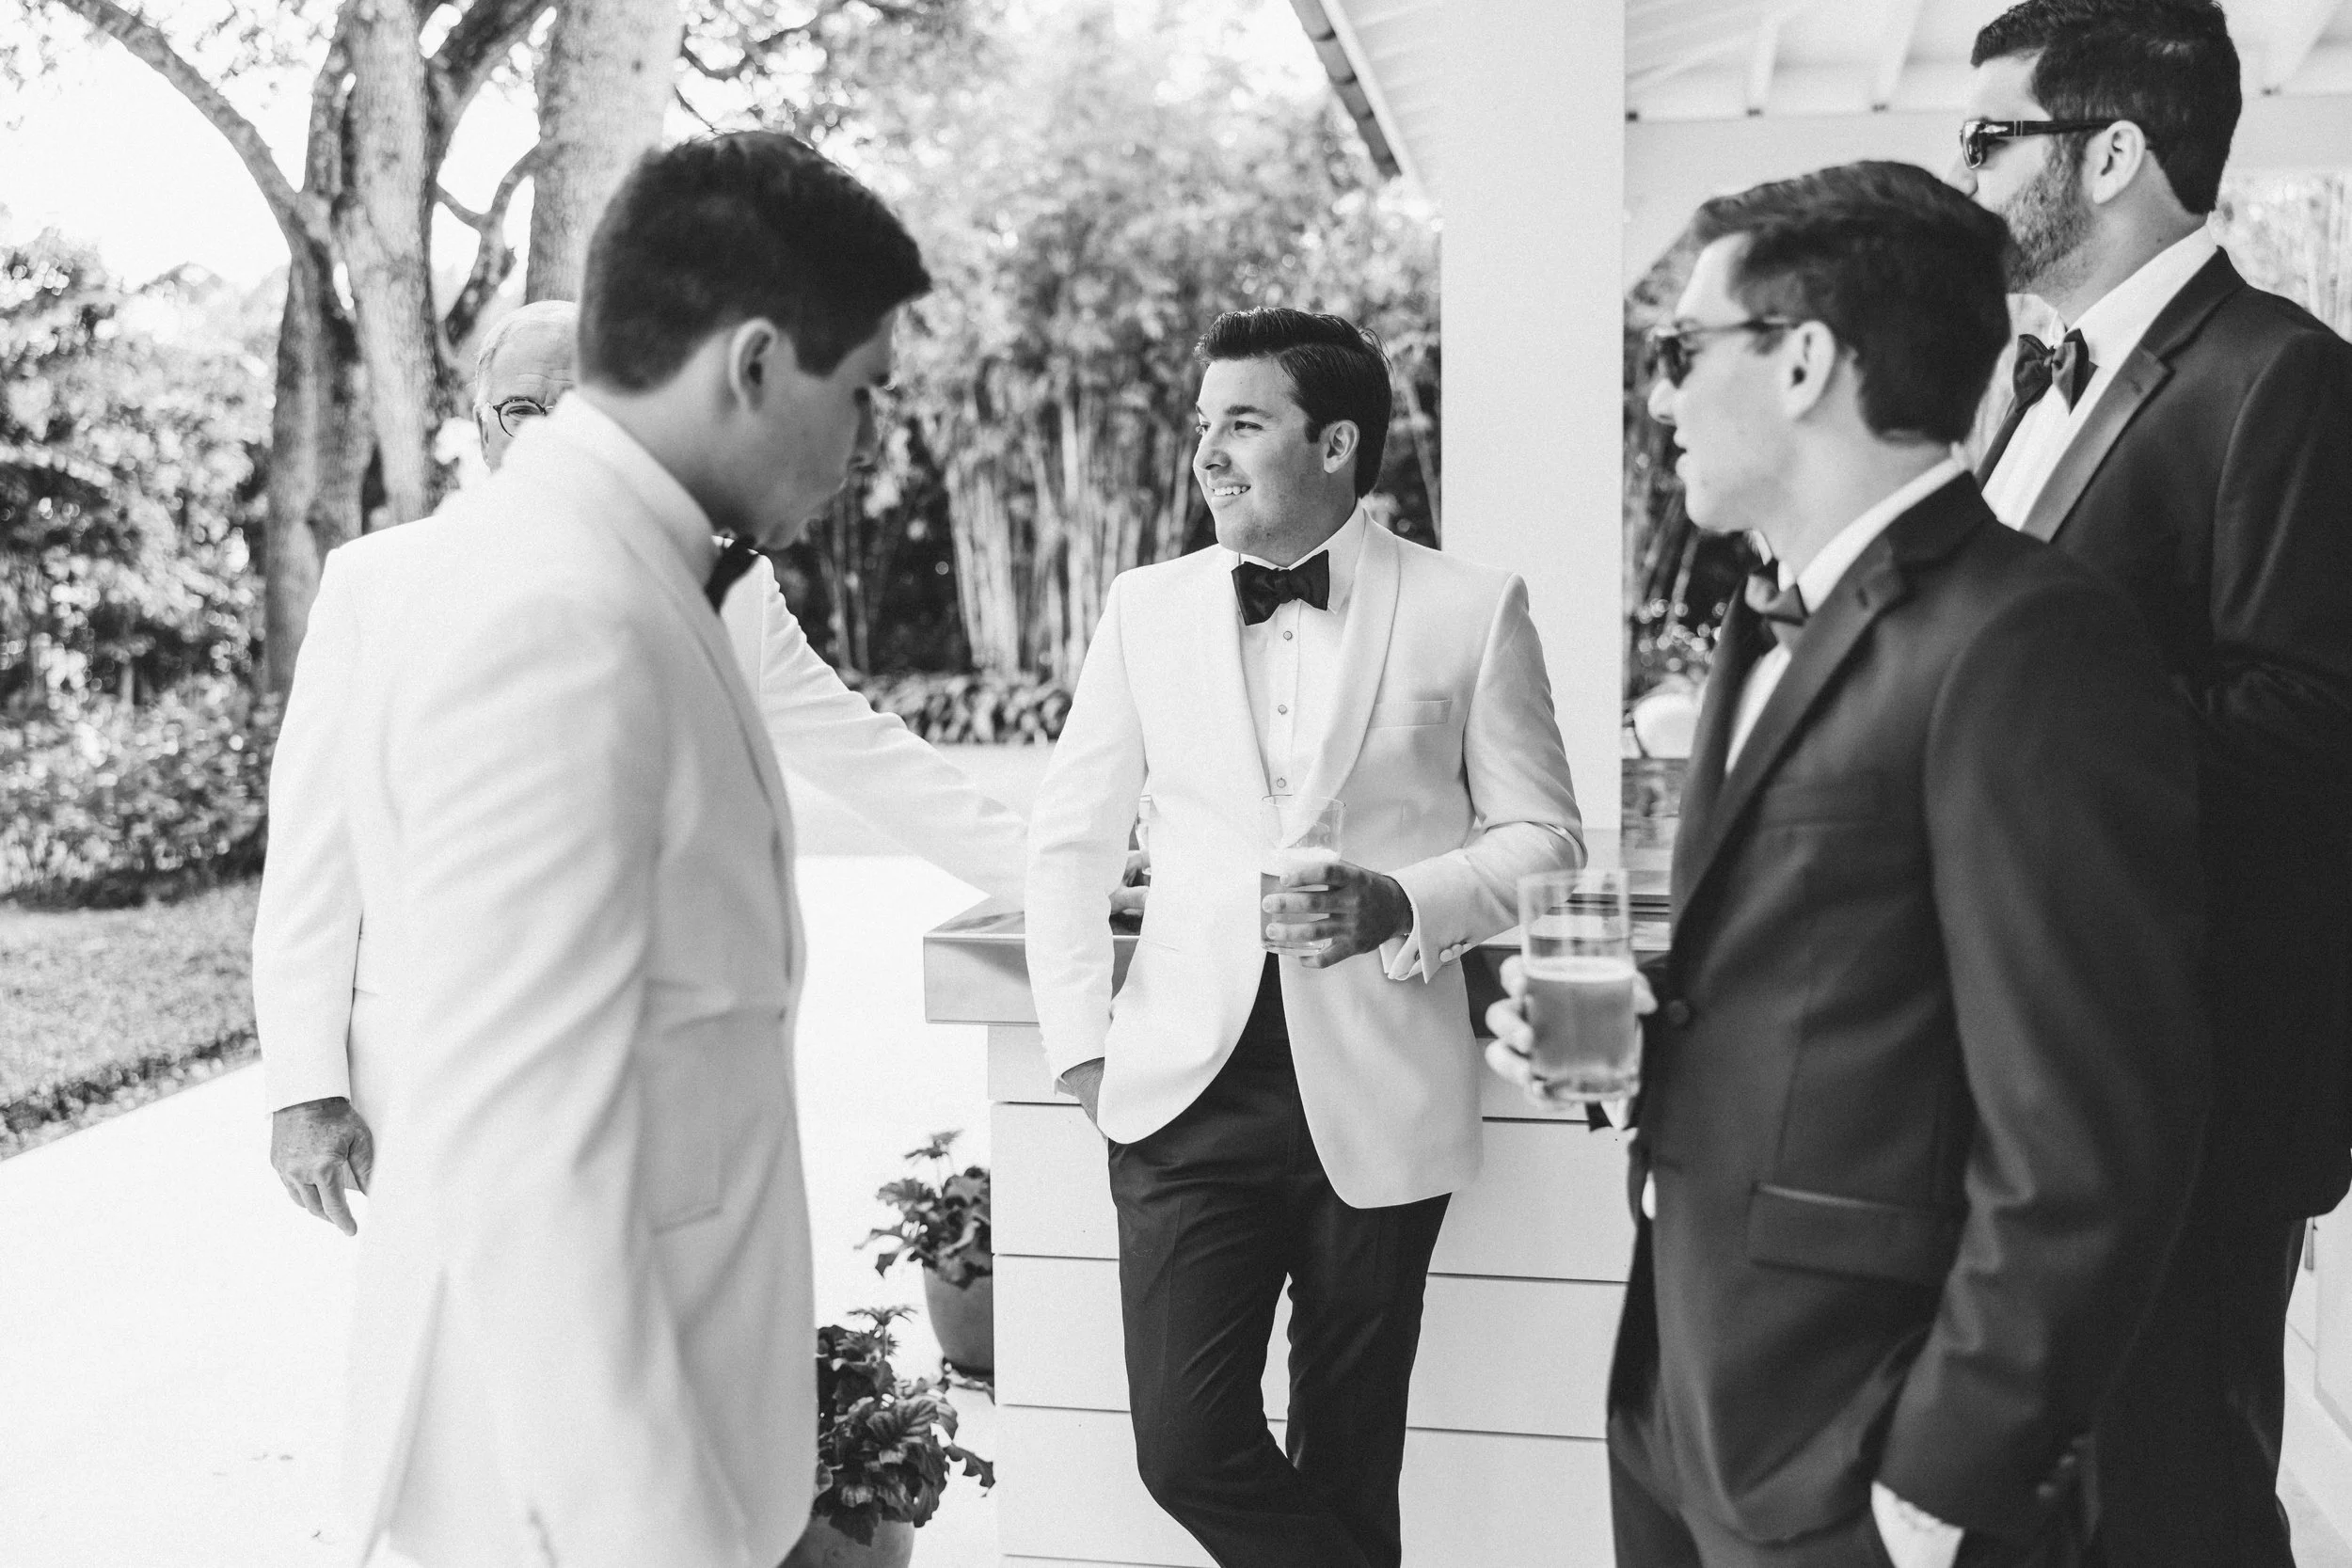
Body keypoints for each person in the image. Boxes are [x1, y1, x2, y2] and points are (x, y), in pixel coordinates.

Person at [1489, 163, 2209, 1567]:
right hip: (1684, 1398)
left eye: (1683, 350)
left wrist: (1937, 1482)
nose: (1662, 399)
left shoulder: (2027, 644)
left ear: (1804, 359)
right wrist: (1644, 1045)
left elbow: (2092, 1124)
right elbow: (1853, 994)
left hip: (1858, 1448)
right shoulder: (1764, 626)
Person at [265, 131, 927, 1568]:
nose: (866, 443)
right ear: (757, 362)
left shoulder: (645, 575)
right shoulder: (555, 617)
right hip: (588, 1505)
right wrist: (667, 1534)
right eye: (863, 390)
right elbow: (525, 1155)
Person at [257, 295, 1042, 1236]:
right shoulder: (373, 584)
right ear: (480, 422)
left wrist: (1056, 873)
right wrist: (305, 1085)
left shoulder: (728, 589)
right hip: (433, 1074)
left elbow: (868, 756)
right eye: (521, 408)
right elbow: (314, 847)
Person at [1025, 308, 1583, 1568]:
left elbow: (1547, 840)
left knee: (1349, 1453)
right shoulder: (1144, 608)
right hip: (1184, 1094)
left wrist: (1403, 902)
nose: (1207, 453)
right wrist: (1083, 1054)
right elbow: (1068, 840)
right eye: (1203, 424)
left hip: (1384, 1083)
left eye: (1242, 422)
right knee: (1184, 1446)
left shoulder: (1472, 607)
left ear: (1335, 444)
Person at [1954, 4, 2352, 1560]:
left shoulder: (2286, 379)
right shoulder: (2018, 384)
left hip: (2185, 1087)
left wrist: (1997, 699)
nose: (1966, 174)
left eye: (1992, 138)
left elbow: (2311, 728)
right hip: (2015, 1067)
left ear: (2112, 151)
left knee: (2174, 1508)